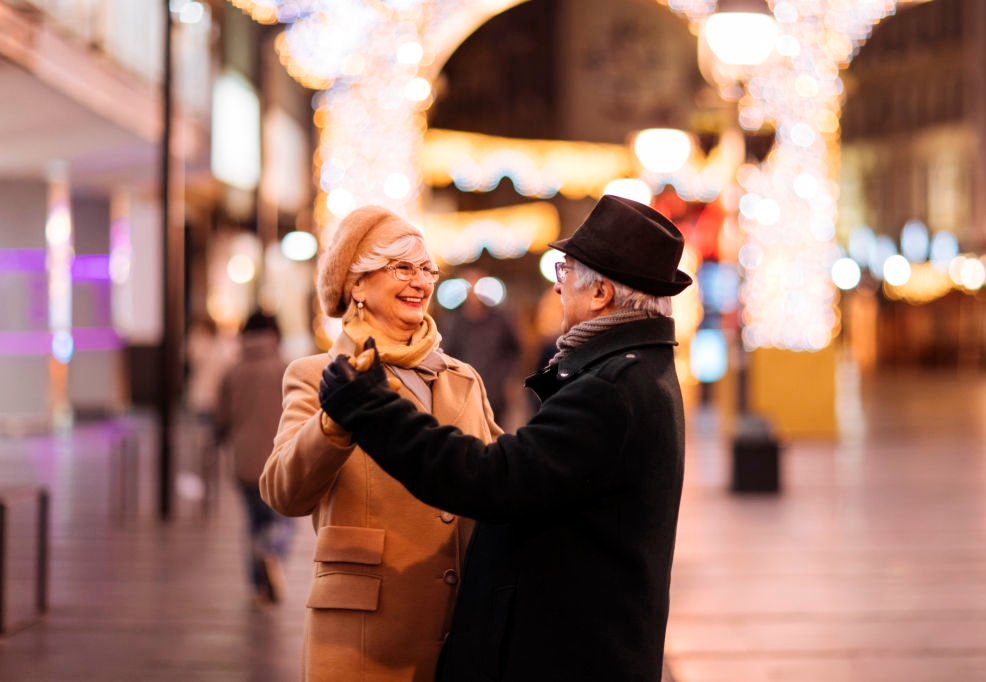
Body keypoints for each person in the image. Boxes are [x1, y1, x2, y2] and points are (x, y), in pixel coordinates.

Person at [317, 194, 693, 682]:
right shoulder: (640, 371)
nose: (557, 289)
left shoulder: (611, 390)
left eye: (565, 273)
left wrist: (371, 408)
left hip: (570, 656)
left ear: (600, 293)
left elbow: (494, 477)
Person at [260, 206, 502, 682]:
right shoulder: (316, 377)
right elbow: (282, 491)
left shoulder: (463, 380)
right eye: (403, 268)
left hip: (463, 626)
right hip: (363, 634)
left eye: (427, 269)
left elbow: (499, 484)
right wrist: (335, 422)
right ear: (357, 285)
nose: (421, 282)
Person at [214, 311, 293, 605]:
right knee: (283, 520)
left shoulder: (232, 372)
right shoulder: (287, 369)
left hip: (244, 461)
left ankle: (258, 588)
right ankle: (272, 551)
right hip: (280, 461)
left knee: (253, 524)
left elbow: (220, 419)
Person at [438, 268, 522, 429]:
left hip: (495, 392)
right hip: (465, 393)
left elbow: (514, 351)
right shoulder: (453, 322)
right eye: (469, 286)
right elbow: (446, 353)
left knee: (496, 432)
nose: (473, 292)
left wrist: (507, 378)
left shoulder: (500, 319)